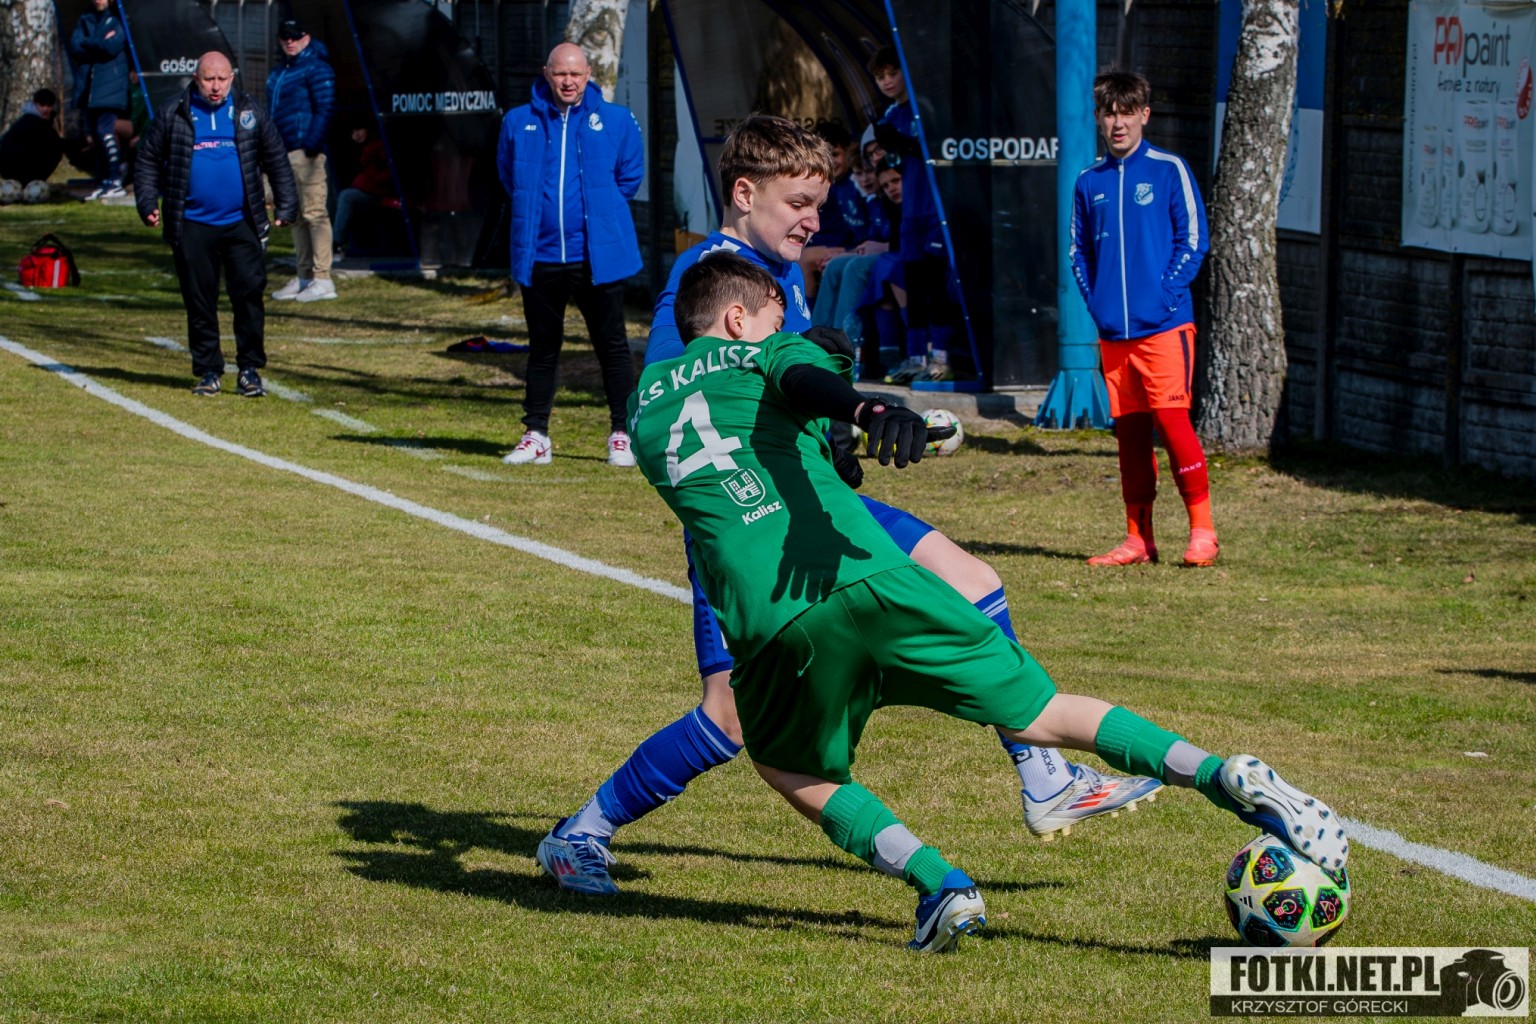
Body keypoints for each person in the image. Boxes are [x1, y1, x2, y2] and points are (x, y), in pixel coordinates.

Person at [623, 252, 1347, 952]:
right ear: (739, 320)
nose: (780, 335)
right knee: (1039, 713)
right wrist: (864, 404)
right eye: (775, 321)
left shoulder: (646, 404)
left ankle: (940, 885)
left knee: (792, 768)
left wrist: (831, 418)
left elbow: (754, 441)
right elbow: (798, 379)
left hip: (774, 620)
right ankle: (1222, 775)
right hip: (879, 579)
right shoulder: (762, 357)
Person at [533, 115, 1161, 900]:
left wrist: (835, 428)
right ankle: (581, 833)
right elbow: (679, 402)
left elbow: (779, 387)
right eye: (798, 203)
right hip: (749, 529)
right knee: (727, 721)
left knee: (973, 580)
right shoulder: (708, 275)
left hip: (811, 508)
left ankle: (1045, 777)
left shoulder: (776, 271)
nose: (812, 221)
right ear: (744, 193)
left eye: (819, 205)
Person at [1070, 70, 1218, 568]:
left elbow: (1193, 239)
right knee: (1130, 438)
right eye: (1109, 113)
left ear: (1144, 115)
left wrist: (1164, 295)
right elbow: (1078, 253)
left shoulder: (1169, 169)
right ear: (1097, 118)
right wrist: (1098, 305)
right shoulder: (1088, 181)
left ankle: (1203, 532)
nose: (1118, 123)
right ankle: (1139, 539)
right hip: (1114, 335)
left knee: (1174, 425)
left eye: (1127, 113)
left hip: (1165, 328)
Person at [495, 43, 644, 468]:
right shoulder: (517, 121)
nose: (568, 82)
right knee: (543, 347)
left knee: (611, 346)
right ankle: (536, 434)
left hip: (596, 258)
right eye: (561, 73)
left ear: (588, 74)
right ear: (547, 73)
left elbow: (629, 177)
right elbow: (508, 176)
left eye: (576, 74)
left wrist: (599, 214)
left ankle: (622, 433)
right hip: (540, 256)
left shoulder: (616, 120)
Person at [134, 52, 298, 398]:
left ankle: (249, 369)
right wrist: (147, 203)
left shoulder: (250, 111)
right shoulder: (173, 112)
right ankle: (208, 370)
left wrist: (286, 204)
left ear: (232, 79)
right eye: (209, 79)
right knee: (200, 302)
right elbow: (147, 159)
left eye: (222, 79)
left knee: (248, 296)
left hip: (242, 223)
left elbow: (276, 159)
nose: (215, 86)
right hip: (192, 224)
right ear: (196, 79)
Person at [868, 46, 959, 383]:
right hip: (910, 213)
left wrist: (902, 143)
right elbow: (895, 161)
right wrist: (885, 152)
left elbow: (933, 149)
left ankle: (942, 357)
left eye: (892, 73)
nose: (887, 81)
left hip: (934, 207)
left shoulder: (925, 107)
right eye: (880, 77)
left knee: (936, 285)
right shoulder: (892, 114)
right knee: (915, 285)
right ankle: (916, 356)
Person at [266, 18, 338, 302]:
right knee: (295, 216)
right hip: (283, 151)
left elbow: (326, 107)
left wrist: (311, 144)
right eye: (285, 36)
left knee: (314, 213)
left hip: (304, 151)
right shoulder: (280, 71)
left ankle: (323, 278)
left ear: (307, 38)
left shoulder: (317, 68)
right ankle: (305, 275)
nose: (290, 41)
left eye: (295, 36)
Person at [69, 0, 131, 200]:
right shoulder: (85, 19)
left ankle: (115, 179)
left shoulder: (118, 18)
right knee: (94, 137)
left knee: (105, 132)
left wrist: (89, 42)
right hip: (88, 89)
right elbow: (75, 46)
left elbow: (111, 46)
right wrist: (98, 43)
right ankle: (103, 178)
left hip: (110, 87)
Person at [333, 120, 394, 256]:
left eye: (358, 130)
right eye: (353, 132)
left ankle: (336, 242)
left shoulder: (377, 146)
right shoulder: (358, 148)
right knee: (339, 196)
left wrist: (374, 179)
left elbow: (388, 171)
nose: (356, 135)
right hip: (369, 188)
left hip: (379, 190)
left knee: (346, 196)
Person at [0, 89, 66, 186]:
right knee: (55, 151)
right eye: (42, 105)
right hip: (13, 166)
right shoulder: (34, 122)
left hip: (9, 166)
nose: (45, 109)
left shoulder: (31, 119)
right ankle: (32, 182)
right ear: (35, 104)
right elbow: (57, 143)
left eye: (49, 106)